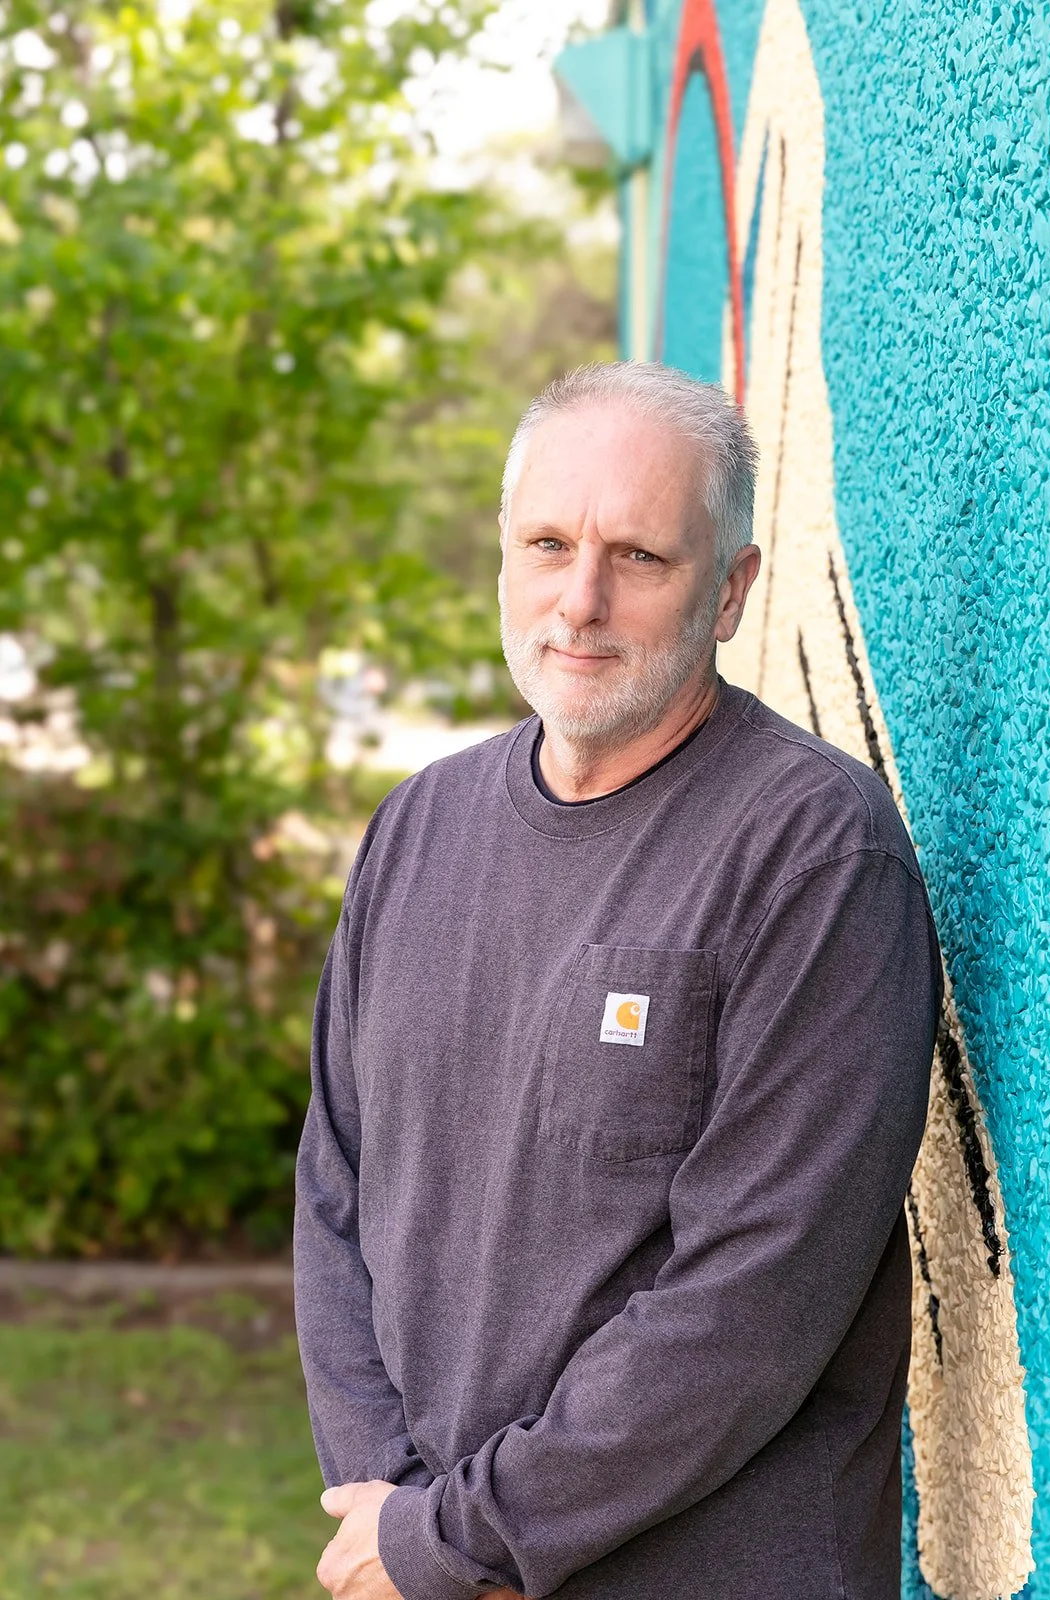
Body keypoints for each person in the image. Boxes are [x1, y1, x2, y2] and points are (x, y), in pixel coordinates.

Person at [294, 362, 941, 1600]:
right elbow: (337, 1188)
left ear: (730, 590)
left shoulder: (813, 853)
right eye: (547, 543)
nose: (578, 601)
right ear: (502, 557)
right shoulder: (415, 827)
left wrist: (457, 1539)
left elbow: (751, 1298)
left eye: (638, 557)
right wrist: (398, 1521)